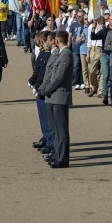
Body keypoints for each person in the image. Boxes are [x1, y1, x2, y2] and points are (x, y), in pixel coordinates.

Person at [40, 30, 73, 169]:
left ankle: (63, 158)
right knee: (55, 129)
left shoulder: (66, 54)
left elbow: (58, 77)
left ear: (58, 41)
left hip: (59, 95)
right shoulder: (60, 54)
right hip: (53, 96)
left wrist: (46, 89)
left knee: (61, 129)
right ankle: (58, 155)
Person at [30, 31, 54, 156]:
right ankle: (46, 137)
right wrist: (32, 81)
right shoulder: (43, 53)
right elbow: (37, 68)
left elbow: (44, 73)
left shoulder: (48, 54)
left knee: (47, 117)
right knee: (42, 116)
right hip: (39, 87)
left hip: (43, 89)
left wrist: (37, 85)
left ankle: (50, 140)